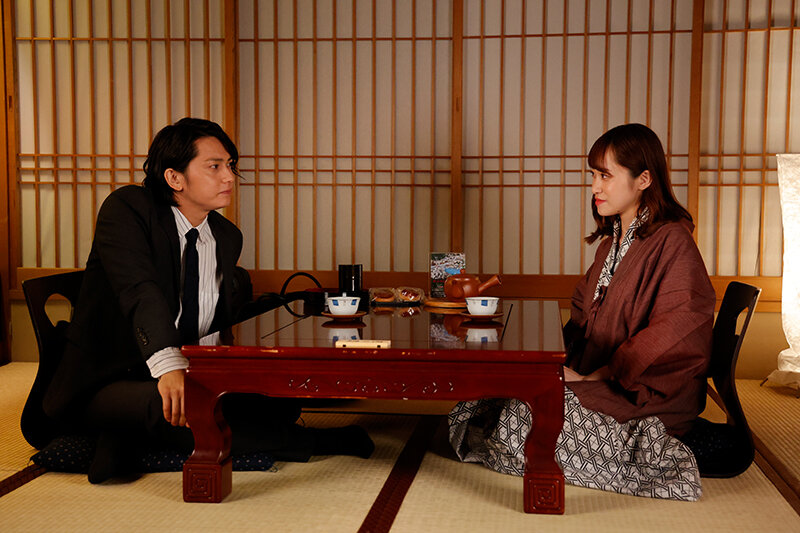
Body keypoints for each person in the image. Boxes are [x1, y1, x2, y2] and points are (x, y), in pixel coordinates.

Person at [42, 118, 374, 483]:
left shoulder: (226, 236)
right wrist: (169, 368)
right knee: (179, 406)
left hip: (189, 369)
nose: (229, 177)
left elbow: (215, 318)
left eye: (230, 165)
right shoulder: (128, 209)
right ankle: (315, 441)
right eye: (214, 166)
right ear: (175, 178)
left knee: (277, 400)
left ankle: (123, 437)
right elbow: (140, 291)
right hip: (109, 377)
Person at [448, 123, 715, 501]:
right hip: (597, 376)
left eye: (605, 176)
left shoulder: (672, 241)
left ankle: (652, 453)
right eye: (593, 175)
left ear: (643, 180)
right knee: (479, 404)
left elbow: (677, 326)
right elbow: (582, 319)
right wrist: (559, 368)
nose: (594, 187)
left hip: (642, 395)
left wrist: (591, 378)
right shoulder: (613, 242)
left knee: (519, 418)